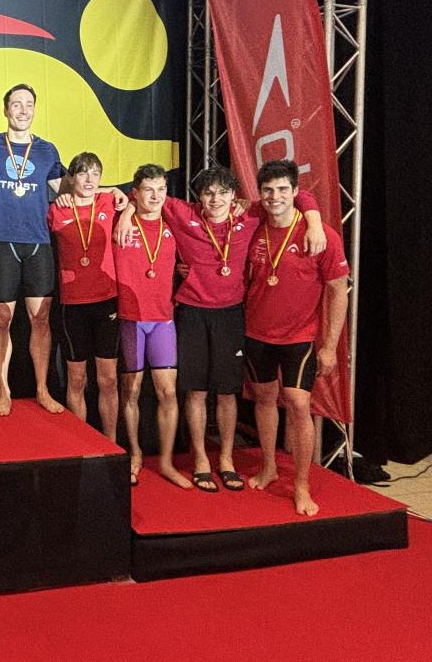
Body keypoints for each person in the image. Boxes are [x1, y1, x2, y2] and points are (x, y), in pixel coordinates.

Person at [117, 165, 326, 492]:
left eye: (223, 193)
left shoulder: (249, 215)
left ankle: (226, 458)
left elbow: (297, 195)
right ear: (199, 197)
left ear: (234, 197)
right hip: (191, 313)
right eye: (209, 193)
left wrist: (313, 220)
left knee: (228, 392)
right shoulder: (183, 212)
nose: (215, 200)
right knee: (196, 392)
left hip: (231, 314)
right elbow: (144, 196)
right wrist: (127, 214)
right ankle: (201, 458)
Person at [245, 160, 349, 516]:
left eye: (283, 190)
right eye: (268, 190)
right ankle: (269, 466)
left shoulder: (320, 235)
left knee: (298, 403)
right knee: (263, 398)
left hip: (299, 336)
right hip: (255, 331)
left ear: (295, 193)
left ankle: (301, 484)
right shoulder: (254, 222)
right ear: (260, 194)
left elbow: (338, 291)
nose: (275, 197)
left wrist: (330, 347)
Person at [0, 85, 68, 417]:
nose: (22, 110)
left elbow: (69, 189)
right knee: (1, 318)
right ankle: (3, 390)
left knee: (40, 319)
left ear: (34, 110)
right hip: (1, 242)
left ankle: (41, 389)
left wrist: (115, 195)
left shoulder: (47, 150)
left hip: (38, 242)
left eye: (28, 105)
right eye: (16, 105)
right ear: (5, 109)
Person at [113, 164, 190, 488]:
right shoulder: (121, 225)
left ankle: (168, 462)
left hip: (163, 320)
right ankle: (134, 454)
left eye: (161, 189)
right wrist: (127, 211)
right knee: (129, 391)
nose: (156, 196)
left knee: (168, 392)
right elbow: (88, 193)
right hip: (131, 319)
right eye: (148, 190)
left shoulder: (174, 223)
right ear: (136, 193)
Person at [47, 153, 119, 440]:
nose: (89, 180)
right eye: (83, 174)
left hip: (106, 302)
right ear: (71, 178)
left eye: (95, 174)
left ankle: (111, 443)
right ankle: (84, 445)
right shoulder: (56, 210)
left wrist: (118, 197)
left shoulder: (110, 202)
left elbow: (142, 199)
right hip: (72, 306)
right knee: (77, 379)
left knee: (109, 379)